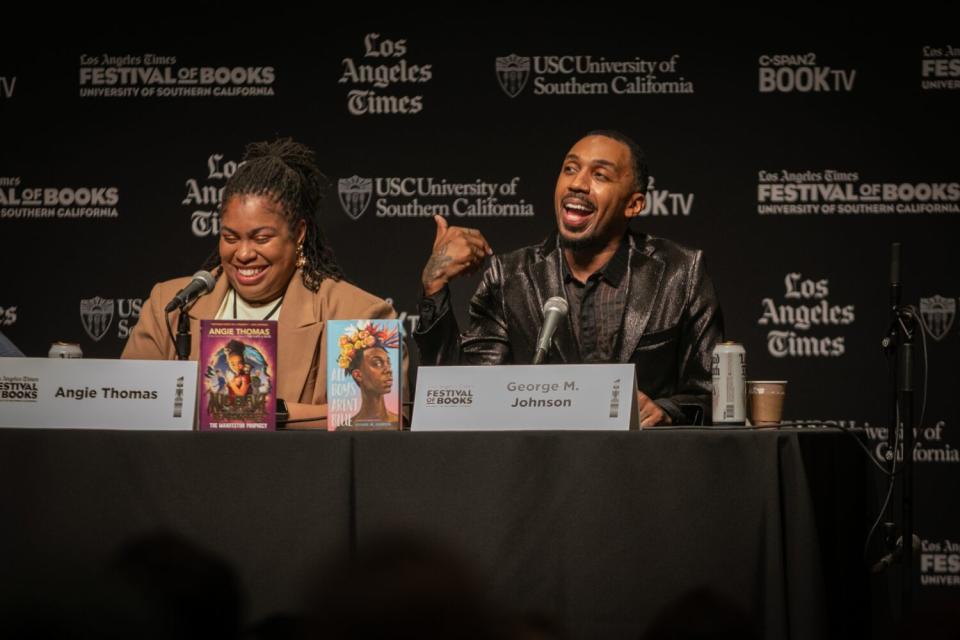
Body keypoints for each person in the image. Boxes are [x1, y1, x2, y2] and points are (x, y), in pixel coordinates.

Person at [414, 130, 723, 426]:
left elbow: (715, 394)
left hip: (640, 468)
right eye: (570, 169)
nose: (578, 183)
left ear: (634, 204)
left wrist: (666, 410)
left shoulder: (680, 272)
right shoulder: (509, 277)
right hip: (544, 469)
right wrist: (435, 285)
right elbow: (464, 396)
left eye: (600, 175)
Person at [123, 138, 404, 428]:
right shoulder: (172, 304)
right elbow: (125, 405)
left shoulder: (355, 313)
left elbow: (381, 421)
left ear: (299, 234)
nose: (243, 254)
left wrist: (269, 412)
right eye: (230, 237)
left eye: (261, 238)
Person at [338, 321, 400, 427]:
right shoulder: (344, 428)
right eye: (377, 363)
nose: (388, 370)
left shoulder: (398, 423)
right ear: (358, 375)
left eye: (388, 362)